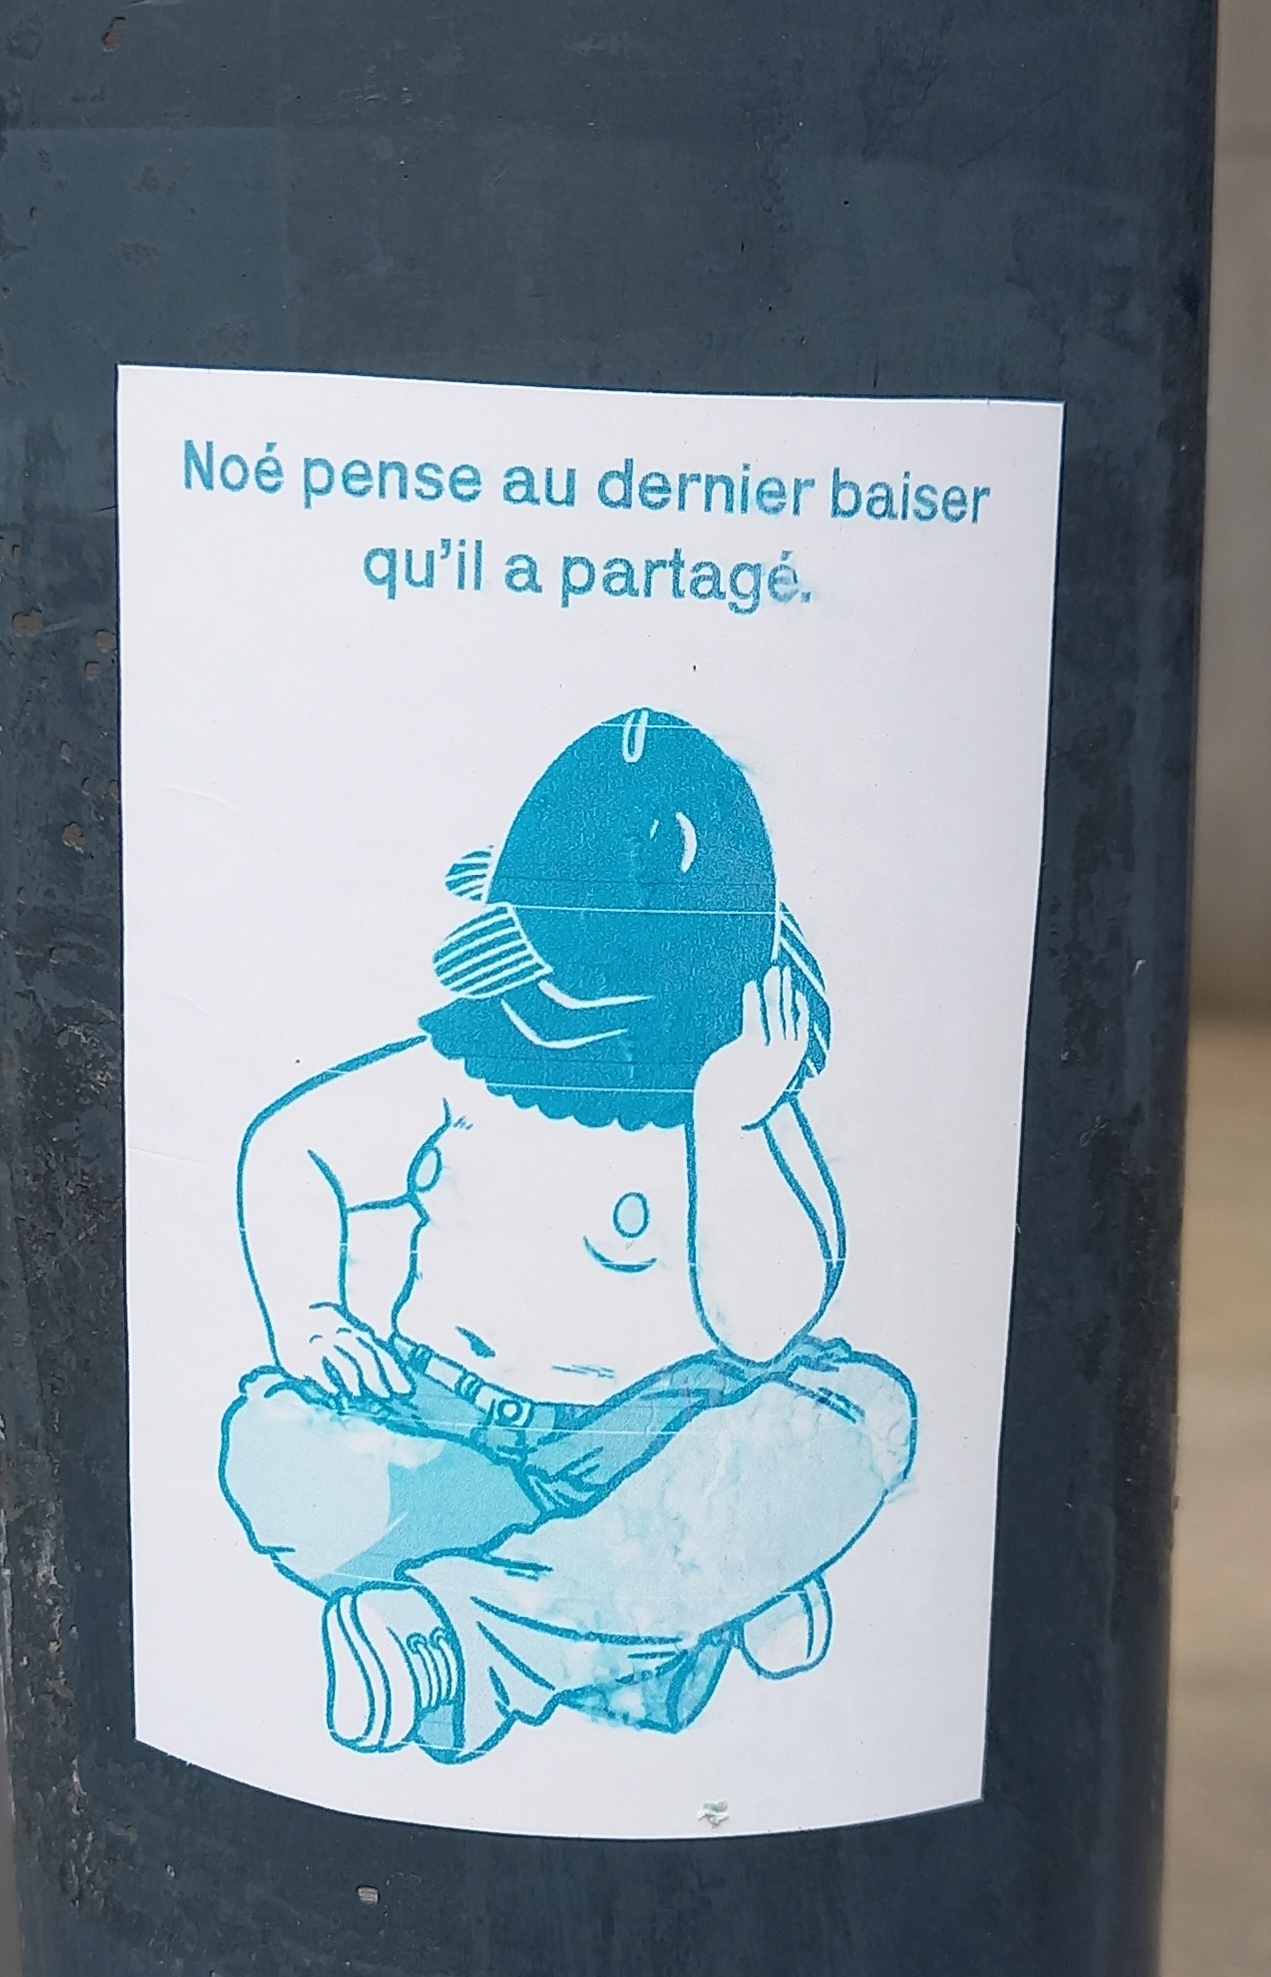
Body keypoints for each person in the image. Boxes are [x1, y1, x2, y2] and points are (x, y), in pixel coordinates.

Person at [219, 707, 917, 1764]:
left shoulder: (741, 1086)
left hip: (668, 1427)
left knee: (862, 1416)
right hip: (448, 1428)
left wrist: (733, 1124)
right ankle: (681, 1608)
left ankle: (463, 1645)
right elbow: (292, 1147)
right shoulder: (462, 1065)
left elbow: (768, 1329)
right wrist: (310, 1317)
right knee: (268, 1447)